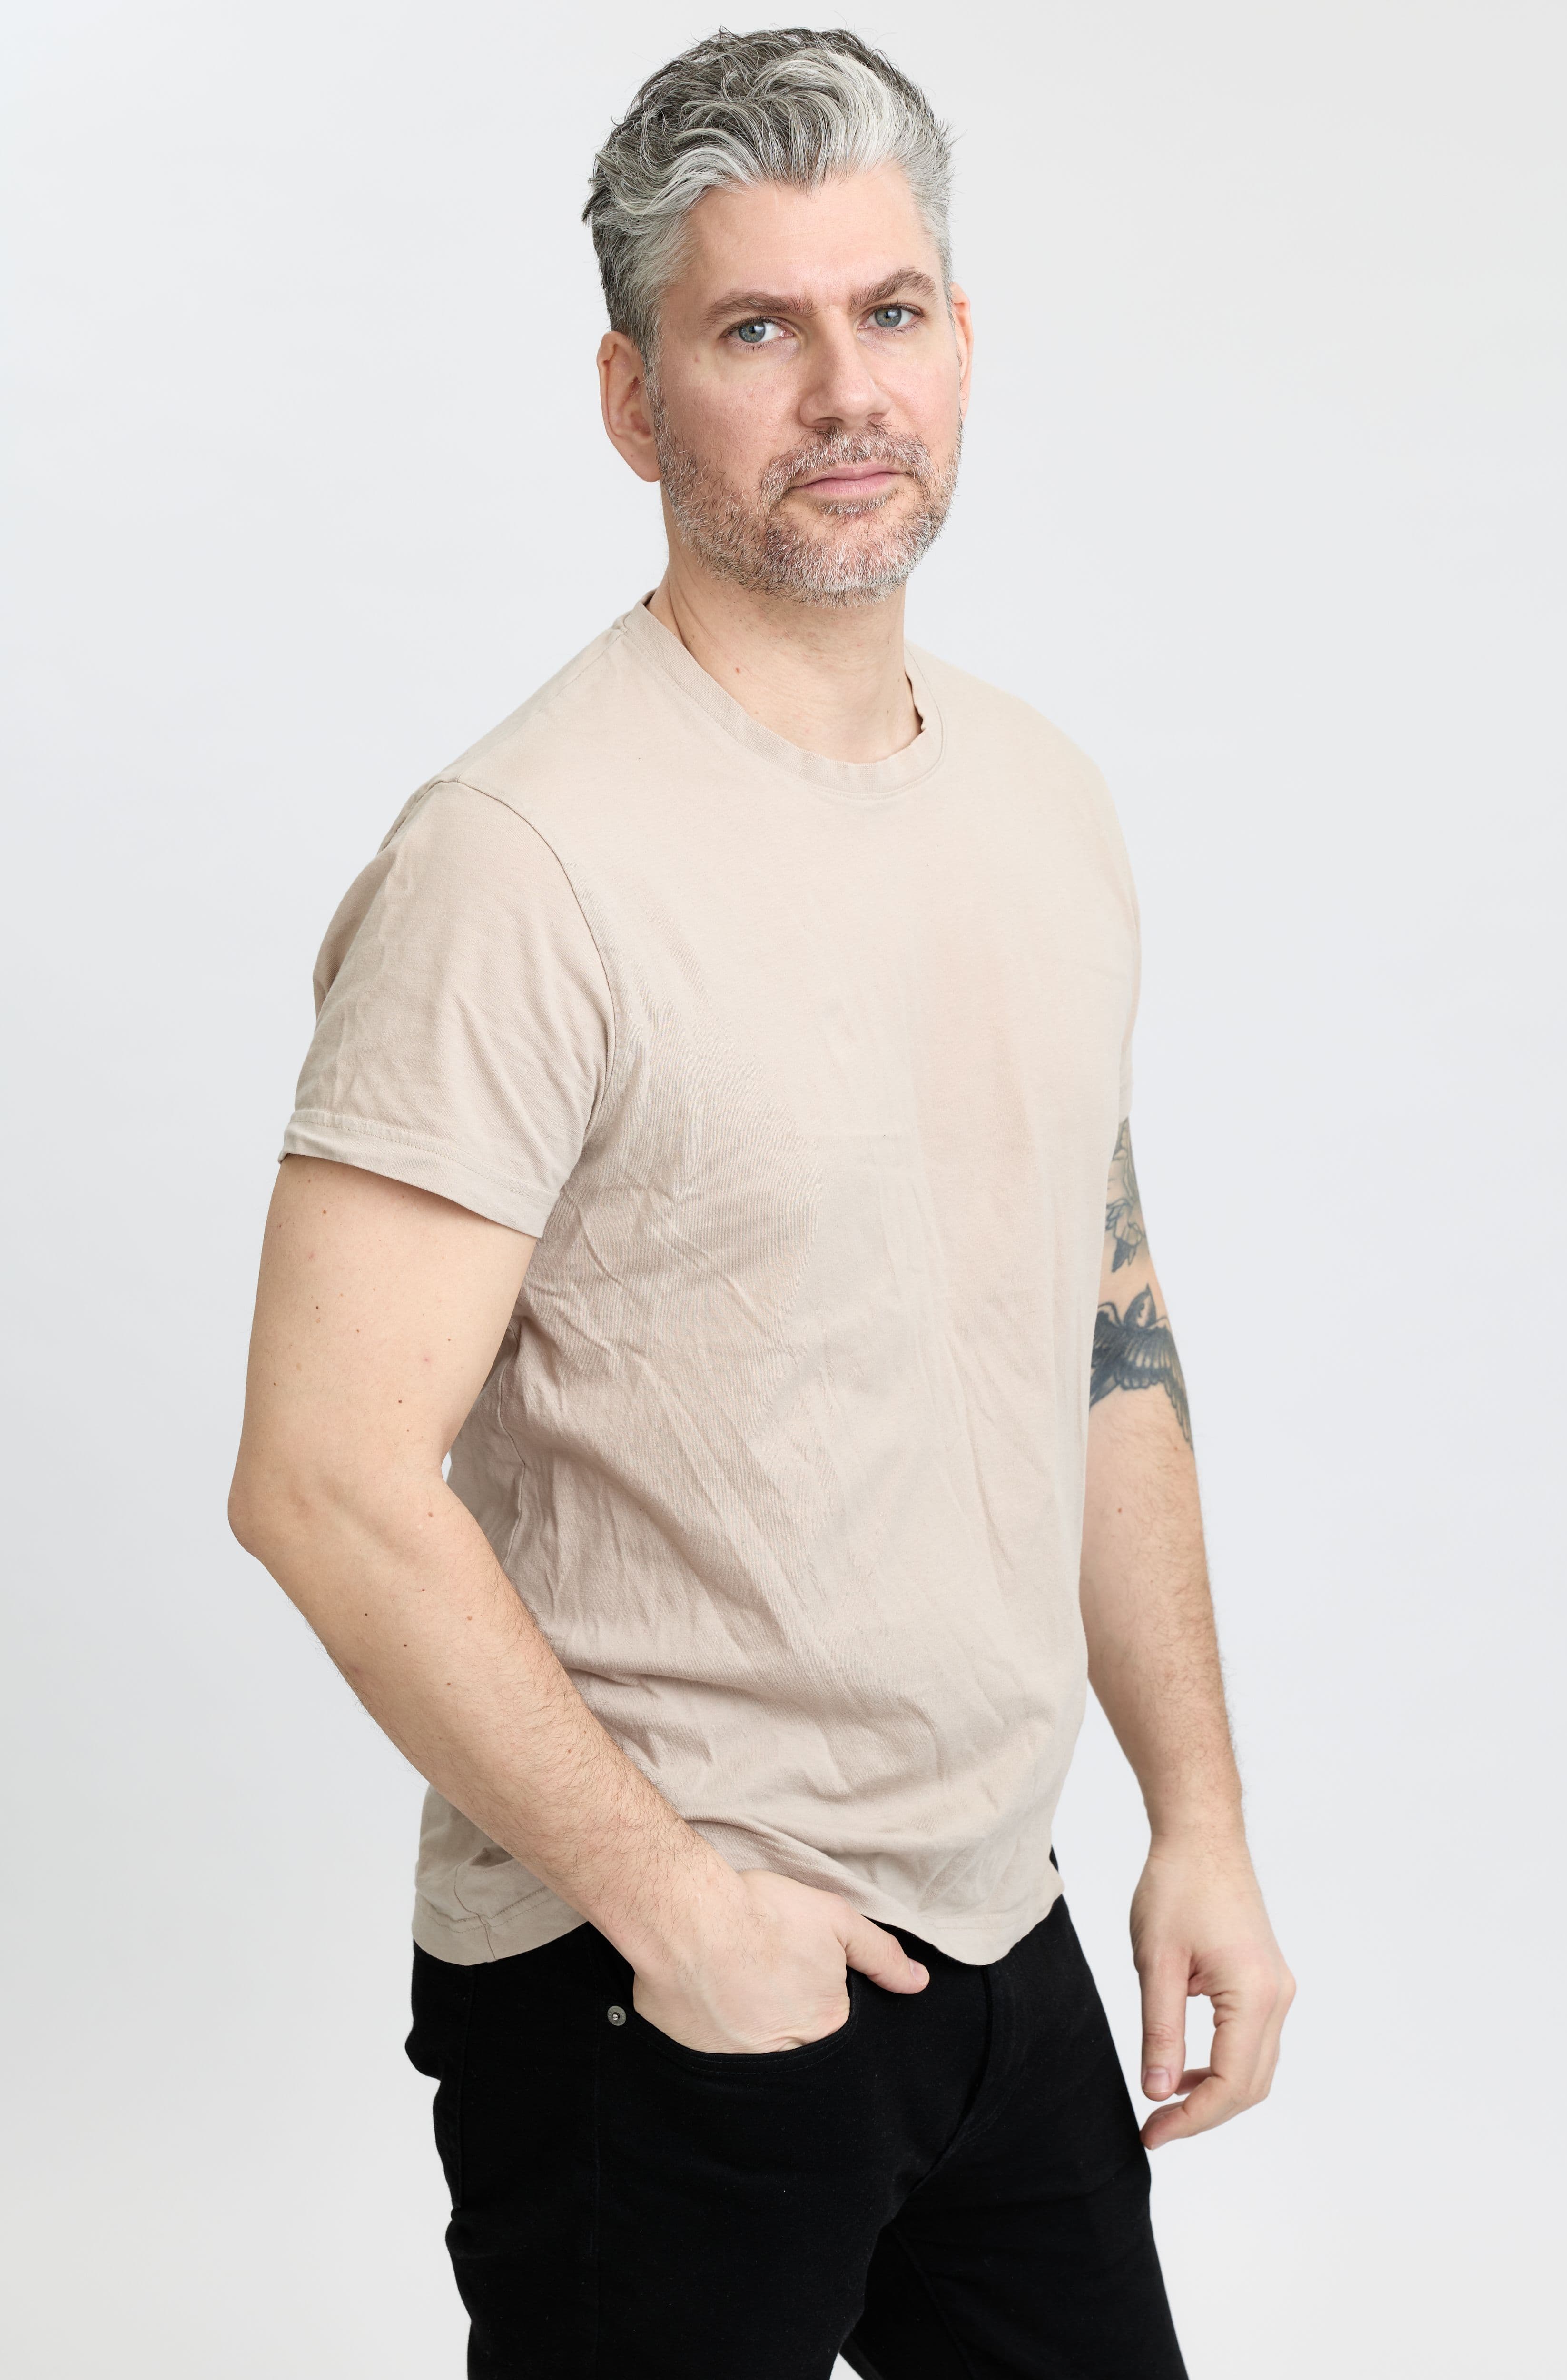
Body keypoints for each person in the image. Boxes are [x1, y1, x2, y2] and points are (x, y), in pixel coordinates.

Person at [229, 27, 1293, 2379]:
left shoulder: (1043, 801)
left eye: (888, 311)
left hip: (992, 1934)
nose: (844, 391)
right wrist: (677, 1911)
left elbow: (1100, 1326)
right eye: (754, 330)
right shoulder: (520, 864)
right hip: (655, 1988)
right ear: (633, 400)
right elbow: (318, 1475)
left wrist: (1198, 1812)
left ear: (964, 342)